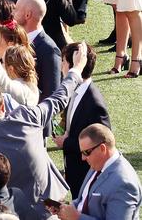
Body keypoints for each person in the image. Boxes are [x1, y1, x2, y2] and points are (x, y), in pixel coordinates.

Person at [0, 42, 87, 218]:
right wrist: (76, 69)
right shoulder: (27, 116)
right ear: (3, 107)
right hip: (51, 207)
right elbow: (59, 98)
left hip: (16, 213)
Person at [51, 43, 111, 198]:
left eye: (63, 62)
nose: (61, 67)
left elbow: (101, 144)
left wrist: (66, 143)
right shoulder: (76, 91)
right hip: (74, 171)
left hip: (86, 175)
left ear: (75, 65)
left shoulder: (94, 104)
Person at [54, 124, 142, 219]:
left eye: (86, 152)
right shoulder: (98, 164)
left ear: (102, 149)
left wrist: (77, 217)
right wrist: (66, 208)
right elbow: (83, 200)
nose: (83, 158)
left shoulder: (123, 184)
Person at [12, 0, 61, 101]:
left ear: (27, 15)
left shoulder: (49, 50)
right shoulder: (15, 39)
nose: (12, 14)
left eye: (15, 10)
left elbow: (51, 94)